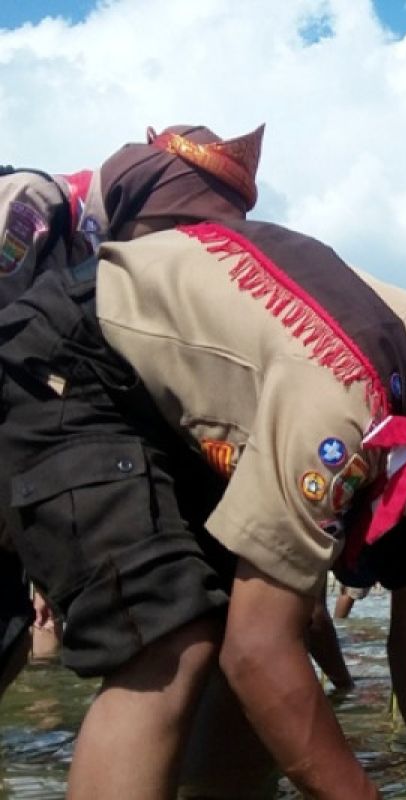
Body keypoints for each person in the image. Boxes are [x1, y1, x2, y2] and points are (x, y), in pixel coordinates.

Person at [0, 219, 406, 797]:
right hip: (79, 363)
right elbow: (258, 651)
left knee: (241, 665)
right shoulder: (347, 407)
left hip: (186, 413)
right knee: (171, 641)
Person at [0, 122, 265, 697]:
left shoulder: (109, 267)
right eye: (175, 230)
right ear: (140, 201)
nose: (182, 254)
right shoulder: (32, 208)